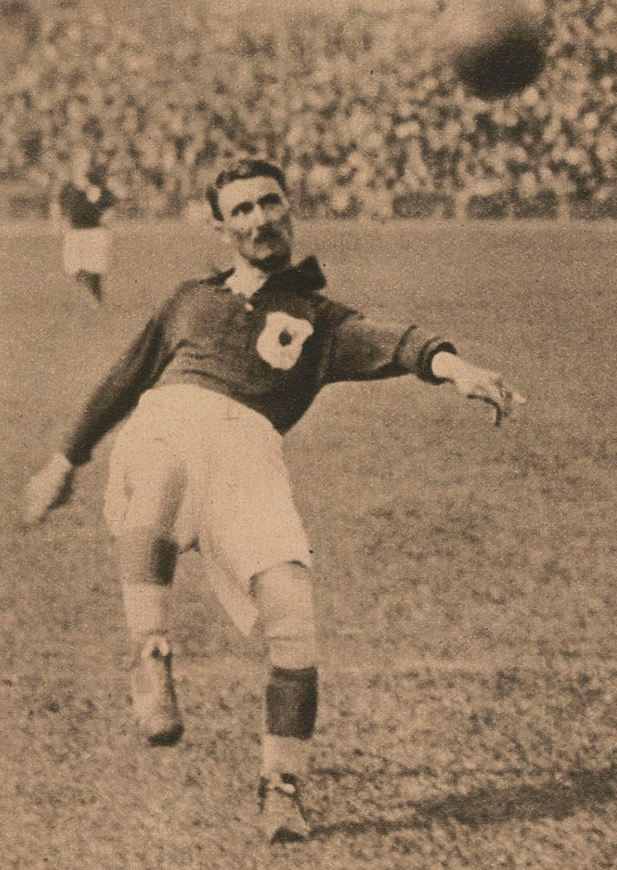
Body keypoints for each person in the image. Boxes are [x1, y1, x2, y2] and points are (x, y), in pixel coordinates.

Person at [23, 158, 525, 844]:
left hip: (249, 454)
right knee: (159, 470)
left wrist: (456, 369)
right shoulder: (188, 300)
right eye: (242, 210)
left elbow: (401, 343)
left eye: (269, 203)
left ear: (290, 208)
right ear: (221, 228)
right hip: (171, 419)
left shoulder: (320, 319)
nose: (259, 219)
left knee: (293, 614)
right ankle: (151, 653)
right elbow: (122, 379)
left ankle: (281, 786)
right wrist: (65, 458)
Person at [57, 149, 118, 305]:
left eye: (87, 162)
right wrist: (62, 222)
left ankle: (96, 299)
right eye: (80, 161)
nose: (84, 165)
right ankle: (94, 297)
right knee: (74, 268)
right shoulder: (68, 187)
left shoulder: (98, 184)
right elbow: (62, 207)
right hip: (75, 232)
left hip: (95, 231)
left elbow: (110, 203)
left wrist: (107, 214)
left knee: (94, 269)